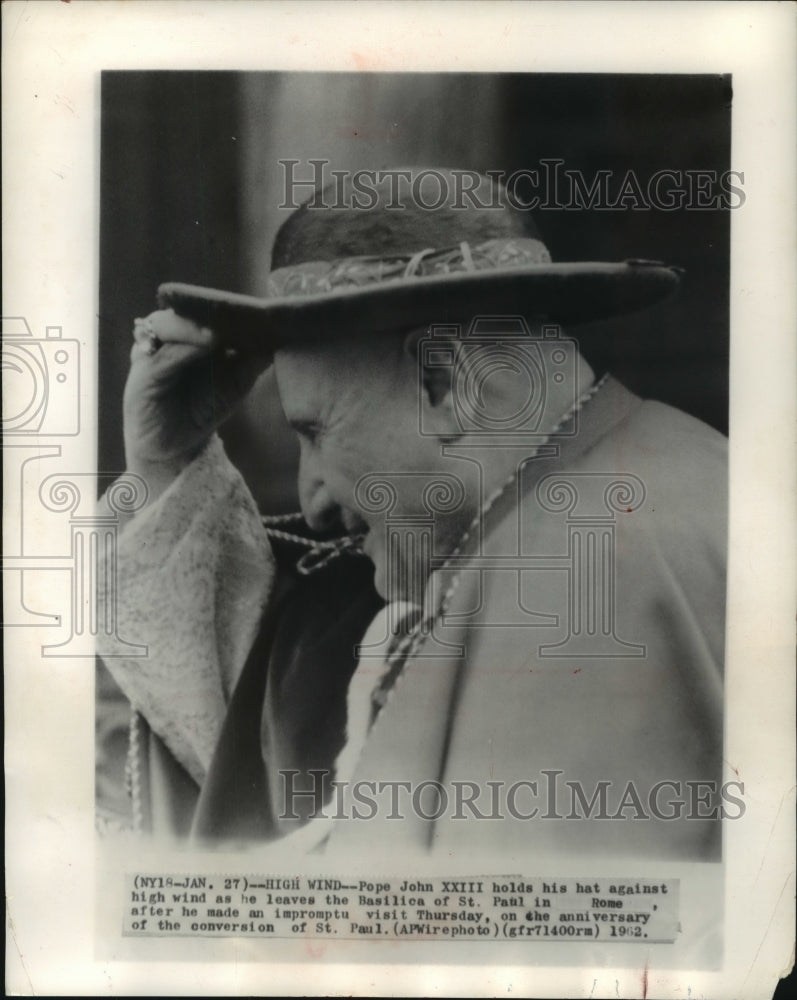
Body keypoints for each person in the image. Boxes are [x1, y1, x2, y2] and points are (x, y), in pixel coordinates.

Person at [98, 168, 727, 859]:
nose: (312, 499)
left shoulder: (592, 567)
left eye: (315, 433)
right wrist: (164, 468)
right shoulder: (598, 494)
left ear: (442, 383)